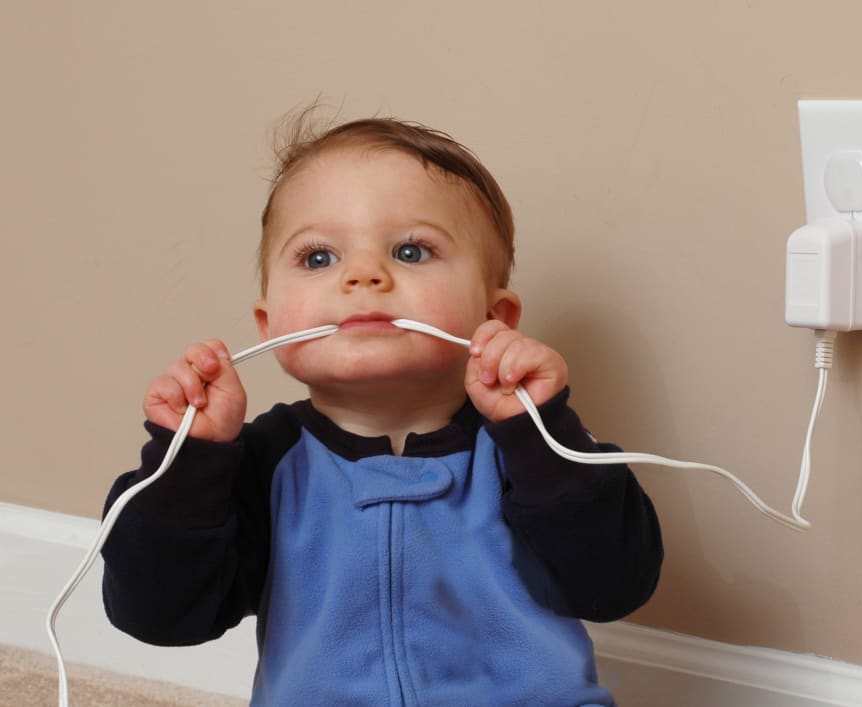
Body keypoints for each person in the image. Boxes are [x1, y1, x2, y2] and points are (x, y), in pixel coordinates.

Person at [101, 113, 662, 706]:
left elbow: (615, 587)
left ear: (494, 320)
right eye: (319, 258)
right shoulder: (261, 463)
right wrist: (189, 461)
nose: (363, 275)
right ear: (270, 327)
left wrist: (539, 429)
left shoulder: (526, 447)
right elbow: (159, 616)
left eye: (411, 250)